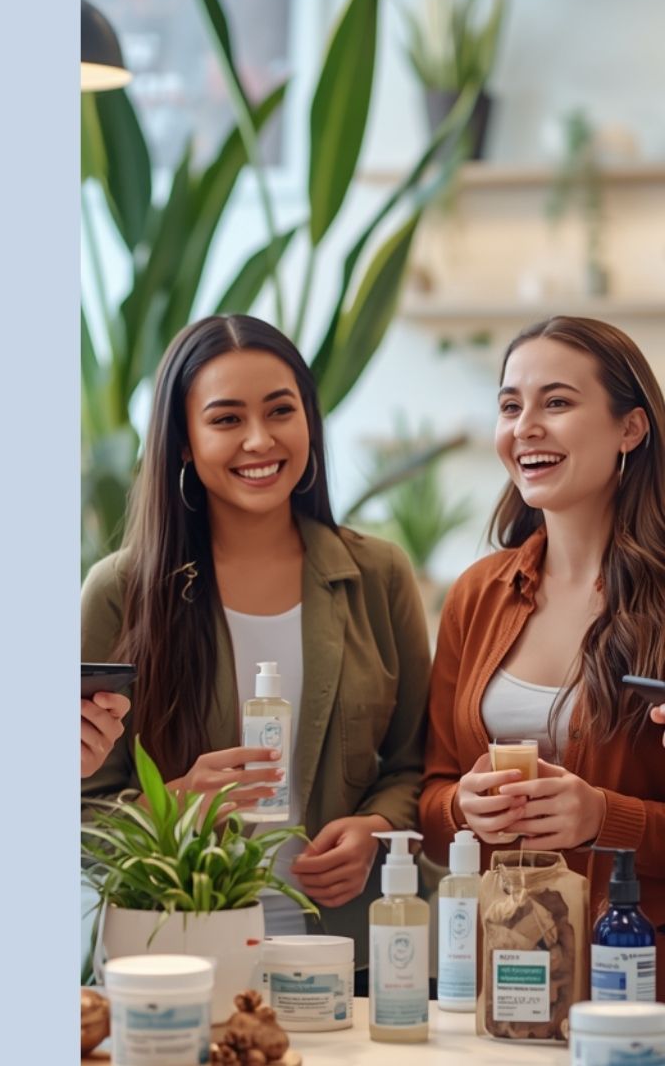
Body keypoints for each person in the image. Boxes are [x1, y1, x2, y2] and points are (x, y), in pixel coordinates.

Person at [82, 314, 431, 953]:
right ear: (183, 442)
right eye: (225, 419)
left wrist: (376, 828)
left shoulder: (378, 575)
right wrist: (174, 803)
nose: (259, 440)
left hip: (350, 957)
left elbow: (419, 764)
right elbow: (79, 814)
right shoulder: (120, 593)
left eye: (280, 411)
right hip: (179, 956)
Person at [420, 317, 665, 937]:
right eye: (510, 405)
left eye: (556, 402)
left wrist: (603, 817)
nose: (524, 426)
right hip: (502, 970)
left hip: (639, 974)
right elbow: (433, 797)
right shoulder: (477, 596)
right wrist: (461, 807)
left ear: (630, 427)